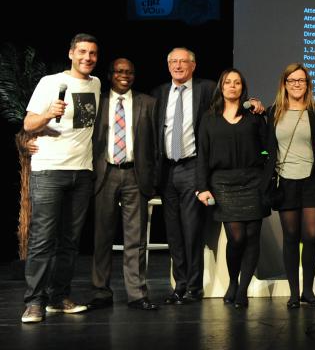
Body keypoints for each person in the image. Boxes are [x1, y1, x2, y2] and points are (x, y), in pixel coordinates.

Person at [153, 48, 263, 305]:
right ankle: (179, 285)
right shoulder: (158, 93)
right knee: (173, 233)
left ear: (193, 65)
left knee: (192, 230)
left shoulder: (206, 89)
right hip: (167, 170)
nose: (179, 66)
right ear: (168, 65)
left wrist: (255, 103)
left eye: (184, 61)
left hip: (193, 166)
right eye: (174, 61)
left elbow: (236, 96)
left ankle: (193, 286)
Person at [21, 33, 100, 323]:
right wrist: (47, 114)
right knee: (43, 240)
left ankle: (58, 297)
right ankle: (33, 302)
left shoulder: (97, 84)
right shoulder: (50, 82)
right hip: (49, 170)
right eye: (82, 52)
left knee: (70, 241)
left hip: (82, 172)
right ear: (71, 53)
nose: (87, 58)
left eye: (92, 53)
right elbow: (28, 124)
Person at [88, 58, 159, 311]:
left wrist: (153, 178)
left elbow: (155, 145)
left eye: (129, 71)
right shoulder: (97, 101)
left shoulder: (148, 103)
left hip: (135, 175)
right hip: (104, 174)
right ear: (110, 74)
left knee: (135, 238)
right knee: (102, 237)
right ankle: (100, 292)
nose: (124, 75)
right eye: (119, 71)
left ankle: (137, 294)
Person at [195, 69, 267, 309]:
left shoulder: (253, 115)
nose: (233, 86)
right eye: (228, 82)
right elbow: (202, 155)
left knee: (252, 237)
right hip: (223, 183)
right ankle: (233, 282)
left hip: (253, 181)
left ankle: (242, 289)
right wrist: (201, 187)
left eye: (237, 83)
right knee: (236, 237)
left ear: (242, 87)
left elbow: (269, 145)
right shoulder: (209, 117)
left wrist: (262, 111)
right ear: (221, 86)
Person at [264, 63, 315, 309]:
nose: (297, 84)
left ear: (307, 84)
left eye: (301, 80)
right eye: (292, 80)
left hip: (313, 179)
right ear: (284, 84)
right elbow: (264, 145)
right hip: (285, 181)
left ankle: (309, 291)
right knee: (291, 237)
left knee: (312, 236)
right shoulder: (273, 112)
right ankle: (294, 293)